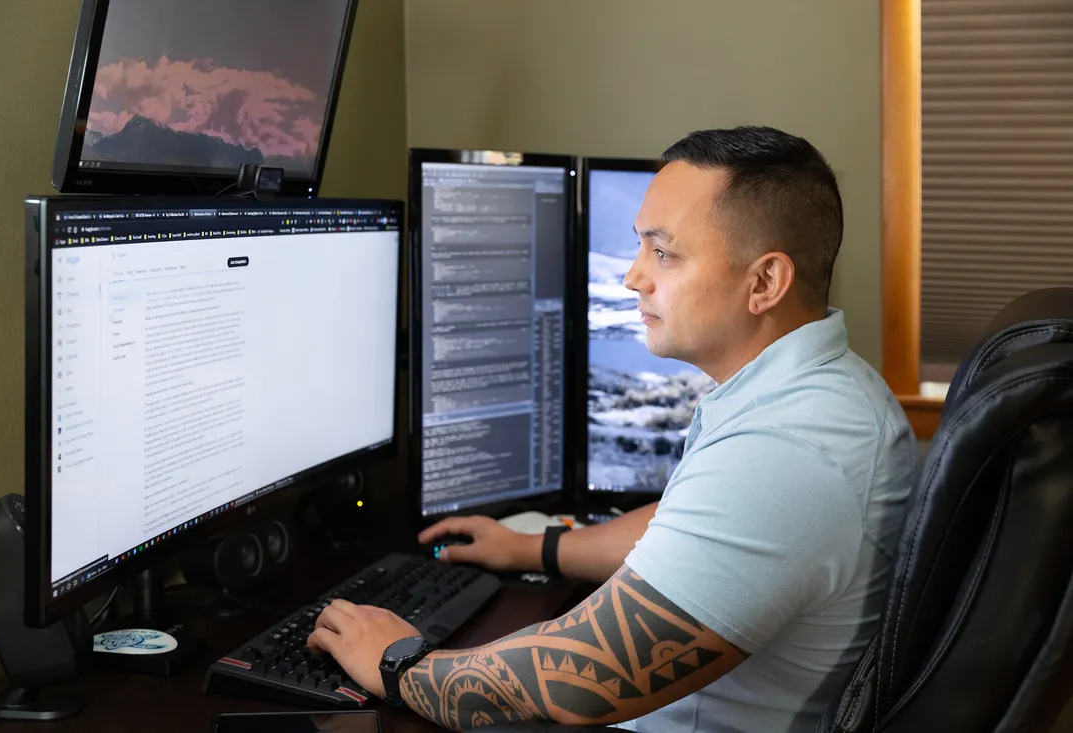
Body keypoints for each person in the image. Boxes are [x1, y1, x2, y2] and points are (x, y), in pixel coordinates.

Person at [307, 126, 919, 732]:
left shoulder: (788, 450)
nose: (633, 277)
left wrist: (396, 663)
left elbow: (582, 678)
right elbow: (689, 525)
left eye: (662, 252)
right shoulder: (817, 393)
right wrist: (532, 548)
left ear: (764, 282)